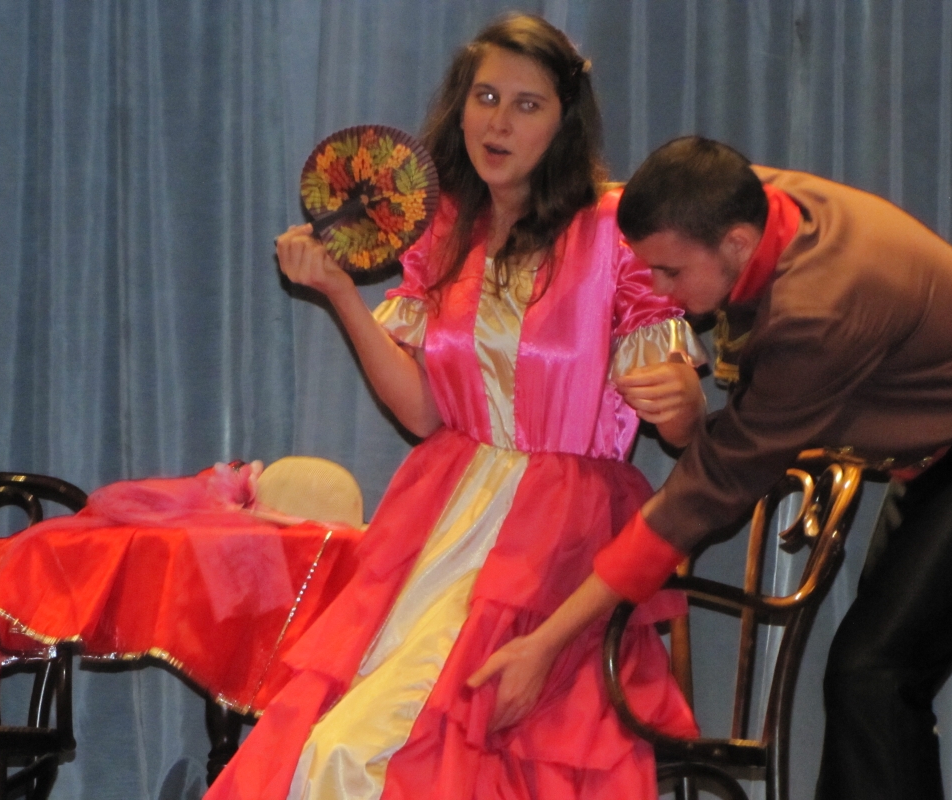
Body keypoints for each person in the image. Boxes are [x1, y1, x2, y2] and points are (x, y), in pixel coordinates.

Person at [205, 15, 703, 800]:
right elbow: (423, 416)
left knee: (408, 748)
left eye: (527, 105)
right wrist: (339, 293)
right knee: (329, 738)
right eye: (486, 97)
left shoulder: (612, 229)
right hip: (442, 515)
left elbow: (678, 424)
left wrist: (684, 401)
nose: (498, 122)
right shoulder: (444, 231)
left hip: (561, 530)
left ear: (564, 122)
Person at [472, 134, 952, 800]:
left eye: (669, 272)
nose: (657, 290)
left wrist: (546, 642)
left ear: (737, 244)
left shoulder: (818, 312)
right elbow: (622, 205)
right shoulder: (745, 201)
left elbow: (707, 490)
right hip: (948, 444)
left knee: (873, 675)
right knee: (871, 680)